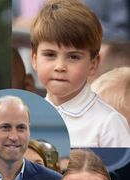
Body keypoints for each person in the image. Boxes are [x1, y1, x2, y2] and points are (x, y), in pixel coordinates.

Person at [30, 0, 130, 148]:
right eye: (50, 55)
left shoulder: (108, 124)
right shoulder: (27, 118)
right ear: (35, 59)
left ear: (93, 64)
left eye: (73, 57)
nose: (60, 67)